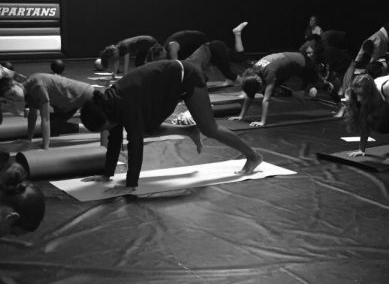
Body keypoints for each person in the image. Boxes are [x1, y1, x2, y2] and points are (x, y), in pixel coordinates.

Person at [80, 60, 263, 193]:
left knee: (209, 128)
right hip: (165, 87)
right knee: (144, 129)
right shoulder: (109, 106)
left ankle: (253, 156)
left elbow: (135, 143)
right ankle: (189, 130)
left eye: (104, 127)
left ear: (105, 118)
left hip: (187, 77)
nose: (108, 130)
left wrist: (130, 184)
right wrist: (107, 174)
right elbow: (115, 137)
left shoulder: (124, 104)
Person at [0, 72, 95, 149]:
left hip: (85, 95)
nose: (15, 98)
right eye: (11, 98)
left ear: (17, 84)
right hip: (69, 104)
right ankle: (82, 126)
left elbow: (45, 119)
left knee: (98, 123)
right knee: (54, 127)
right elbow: (32, 116)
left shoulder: (37, 87)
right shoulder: (28, 89)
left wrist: (45, 146)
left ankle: (96, 132)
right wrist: (29, 139)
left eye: (12, 94)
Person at [231, 51, 322, 127]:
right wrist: (241, 116)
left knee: (319, 83)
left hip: (304, 63)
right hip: (287, 67)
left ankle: (320, 85)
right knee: (271, 89)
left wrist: (262, 122)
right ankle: (298, 93)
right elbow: (249, 96)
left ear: (260, 83)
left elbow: (266, 100)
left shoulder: (269, 73)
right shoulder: (254, 72)